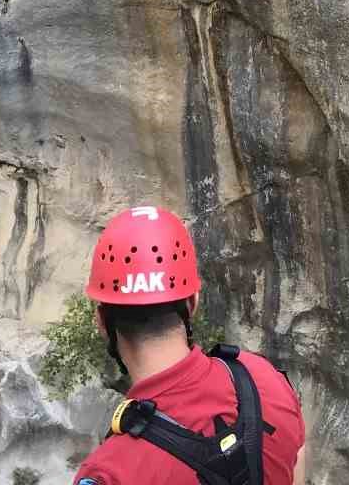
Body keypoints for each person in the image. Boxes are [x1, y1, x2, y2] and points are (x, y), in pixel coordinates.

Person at [71, 204, 307, 485]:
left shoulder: (109, 473)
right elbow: (298, 461)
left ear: (101, 321)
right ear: (192, 303)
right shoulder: (263, 378)